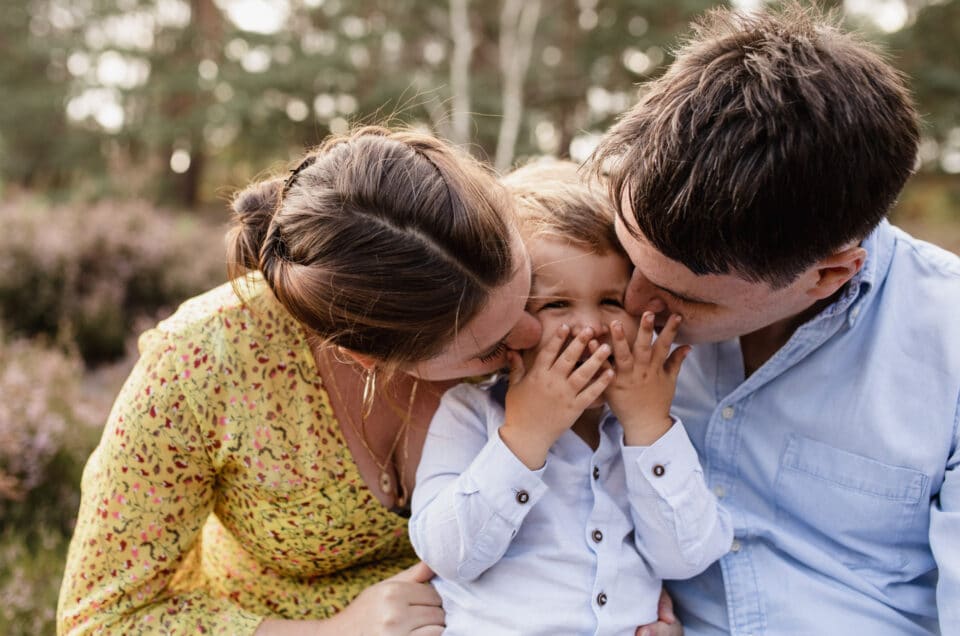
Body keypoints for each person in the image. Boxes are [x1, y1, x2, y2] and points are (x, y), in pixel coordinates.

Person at [57, 125, 544, 635]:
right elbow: (102, 619)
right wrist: (331, 632)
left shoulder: (545, 248)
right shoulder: (201, 363)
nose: (535, 337)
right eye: (491, 347)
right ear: (366, 356)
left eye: (535, 293)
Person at [591, 4, 960, 635]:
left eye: (688, 300)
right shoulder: (585, 276)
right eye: (631, 258)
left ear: (828, 274)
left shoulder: (946, 345)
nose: (633, 307)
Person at [409, 160, 733, 635]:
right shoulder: (470, 412)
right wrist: (525, 436)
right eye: (556, 304)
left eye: (611, 301)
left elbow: (686, 558)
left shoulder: (659, 417)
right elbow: (448, 555)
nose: (590, 326)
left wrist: (648, 430)